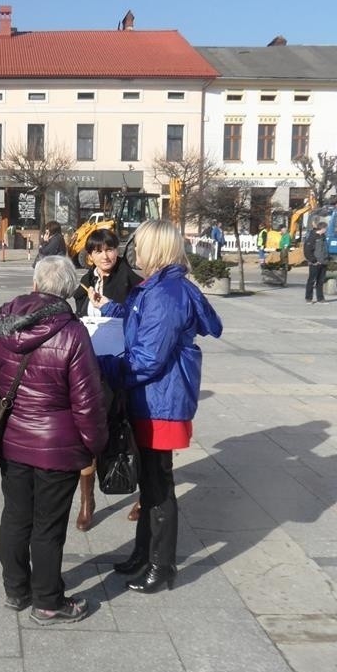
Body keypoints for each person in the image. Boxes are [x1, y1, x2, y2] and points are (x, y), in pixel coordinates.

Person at [0, 255, 108, 623]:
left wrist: (11, 419)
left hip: (14, 443)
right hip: (59, 447)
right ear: (67, 291)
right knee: (48, 526)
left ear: (35, 285)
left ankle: (16, 590)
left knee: (16, 517)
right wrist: (94, 444)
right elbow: (88, 402)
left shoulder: (2, 325)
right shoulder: (73, 332)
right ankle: (48, 600)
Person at [102, 219, 223, 593]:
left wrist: (102, 365)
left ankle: (162, 564)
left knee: (157, 484)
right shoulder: (158, 287)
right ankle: (144, 553)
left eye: (138, 245)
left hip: (160, 400)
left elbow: (149, 357)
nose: (132, 251)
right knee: (151, 481)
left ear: (155, 248)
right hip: (155, 395)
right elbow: (142, 321)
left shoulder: (167, 293)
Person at [73, 228, 142, 531]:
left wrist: (112, 308)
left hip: (123, 370)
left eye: (110, 248)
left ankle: (145, 496)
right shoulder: (85, 282)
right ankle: (87, 502)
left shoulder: (133, 283)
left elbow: (141, 322)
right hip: (90, 370)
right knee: (87, 434)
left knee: (131, 433)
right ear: (89, 256)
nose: (105, 255)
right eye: (98, 250)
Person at [304, 221, 329, 304]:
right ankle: (308, 298)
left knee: (320, 281)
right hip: (315, 263)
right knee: (312, 280)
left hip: (323, 262)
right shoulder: (312, 237)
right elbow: (307, 251)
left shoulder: (323, 237)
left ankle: (320, 298)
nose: (326, 230)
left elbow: (324, 249)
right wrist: (313, 260)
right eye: (326, 228)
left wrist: (327, 258)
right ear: (322, 228)